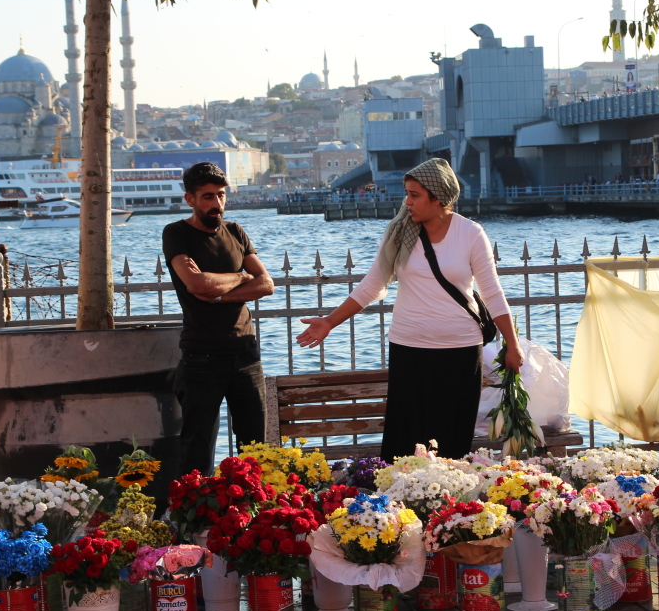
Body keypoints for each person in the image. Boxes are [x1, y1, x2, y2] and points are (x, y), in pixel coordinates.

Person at [296, 158, 522, 460]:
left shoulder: (470, 233)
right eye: (407, 193)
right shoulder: (400, 233)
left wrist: (513, 345)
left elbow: (492, 292)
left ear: (438, 197)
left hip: (461, 351)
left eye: (414, 195)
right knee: (404, 442)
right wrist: (329, 322)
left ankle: (448, 504)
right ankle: (403, 505)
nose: (407, 202)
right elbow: (372, 285)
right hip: (409, 349)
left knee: (452, 442)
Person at [162, 162, 274, 471]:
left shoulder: (236, 231)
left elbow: (265, 284)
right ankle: (195, 517)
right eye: (208, 197)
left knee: (255, 451)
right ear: (190, 199)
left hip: (246, 355)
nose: (217, 204)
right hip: (202, 358)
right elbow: (196, 285)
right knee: (197, 452)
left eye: (221, 196)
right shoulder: (177, 234)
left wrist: (220, 290)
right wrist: (240, 277)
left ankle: (253, 513)